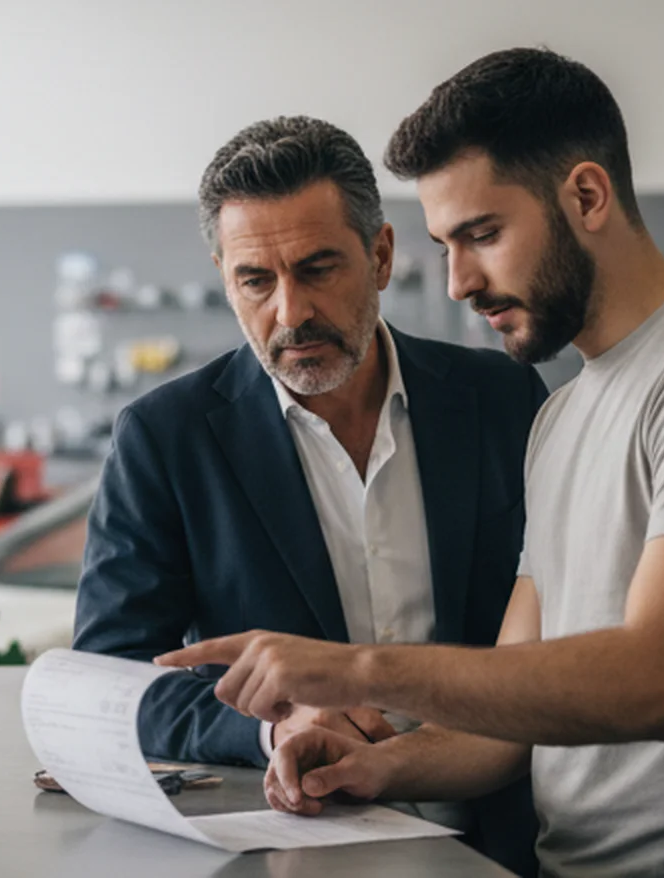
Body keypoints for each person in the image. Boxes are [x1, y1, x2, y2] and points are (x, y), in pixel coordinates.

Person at [158, 48, 664, 878]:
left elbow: (662, 683)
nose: (458, 282)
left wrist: (351, 671)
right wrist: (375, 766)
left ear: (587, 196)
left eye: (483, 235)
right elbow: (507, 717)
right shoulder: (561, 414)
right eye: (446, 245)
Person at [72, 115, 545, 872]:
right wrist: (272, 728)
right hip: (300, 847)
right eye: (255, 281)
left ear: (381, 256)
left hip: (504, 847)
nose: (290, 313)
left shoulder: (502, 399)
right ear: (224, 277)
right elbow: (111, 682)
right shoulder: (166, 438)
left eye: (318, 269)